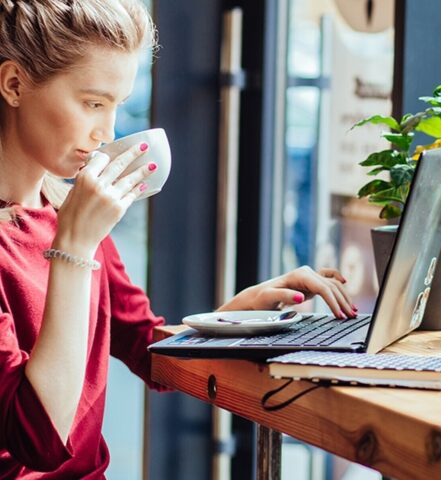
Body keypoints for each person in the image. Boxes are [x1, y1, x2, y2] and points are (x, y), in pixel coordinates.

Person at [0, 0, 355, 477]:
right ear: (14, 84)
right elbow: (39, 441)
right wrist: (75, 249)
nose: (106, 132)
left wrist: (234, 317)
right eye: (93, 103)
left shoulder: (69, 211)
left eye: (117, 105)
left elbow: (148, 351)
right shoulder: (76, 226)